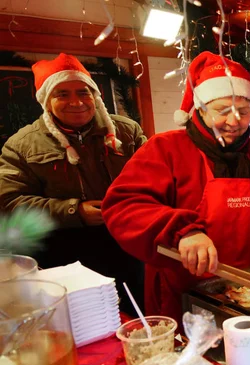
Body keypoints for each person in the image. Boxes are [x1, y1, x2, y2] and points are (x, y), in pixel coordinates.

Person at [101, 52, 250, 323]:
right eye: (222, 111)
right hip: (186, 294)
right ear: (200, 109)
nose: (234, 121)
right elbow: (123, 206)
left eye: (244, 111)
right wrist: (182, 232)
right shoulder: (164, 150)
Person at [0, 53, 147, 313]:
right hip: (64, 254)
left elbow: (154, 176)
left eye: (83, 92)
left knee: (136, 314)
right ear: (46, 100)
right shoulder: (21, 144)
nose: (76, 102)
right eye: (62, 94)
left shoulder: (127, 131)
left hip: (126, 245)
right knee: (81, 322)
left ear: (95, 95)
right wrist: (74, 211)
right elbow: (10, 202)